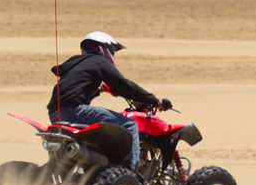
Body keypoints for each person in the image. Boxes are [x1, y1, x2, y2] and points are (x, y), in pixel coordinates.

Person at [47, 31, 171, 170]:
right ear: (101, 48)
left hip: (55, 114)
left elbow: (74, 91)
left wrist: (99, 90)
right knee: (130, 125)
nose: (113, 55)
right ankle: (131, 173)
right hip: (75, 111)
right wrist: (155, 101)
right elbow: (124, 85)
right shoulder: (98, 61)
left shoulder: (77, 64)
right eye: (112, 51)